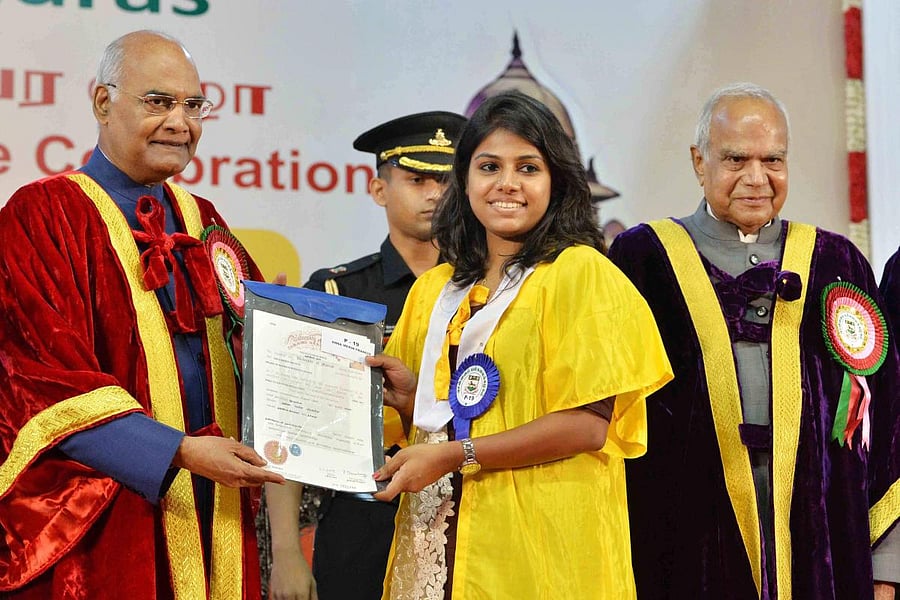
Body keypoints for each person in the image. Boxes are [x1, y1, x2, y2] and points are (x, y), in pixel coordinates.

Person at [0, 30, 284, 599]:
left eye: (193, 105)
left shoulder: (203, 219)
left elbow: (264, 351)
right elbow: (40, 380)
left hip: (216, 510)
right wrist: (174, 452)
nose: (181, 122)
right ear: (103, 102)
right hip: (106, 519)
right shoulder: (43, 215)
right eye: (158, 102)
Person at [365, 90, 673, 599]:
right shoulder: (436, 290)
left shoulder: (582, 273)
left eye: (528, 168)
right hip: (439, 540)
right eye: (489, 166)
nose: (507, 184)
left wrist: (454, 455)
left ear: (557, 182)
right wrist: (413, 394)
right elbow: (446, 414)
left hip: (545, 545)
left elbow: (585, 426)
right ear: (464, 181)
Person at [608, 82, 900, 599]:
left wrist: (887, 568)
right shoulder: (641, 260)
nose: (757, 178)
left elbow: (888, 422)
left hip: (824, 544)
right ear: (700, 162)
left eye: (773, 159)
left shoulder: (839, 262)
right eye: (736, 159)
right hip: (682, 541)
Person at [265, 111, 466, 600]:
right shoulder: (336, 292)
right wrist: (287, 552)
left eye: (446, 180)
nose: (435, 193)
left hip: (468, 518)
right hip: (362, 521)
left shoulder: (486, 292)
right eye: (417, 179)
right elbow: (290, 428)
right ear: (378, 189)